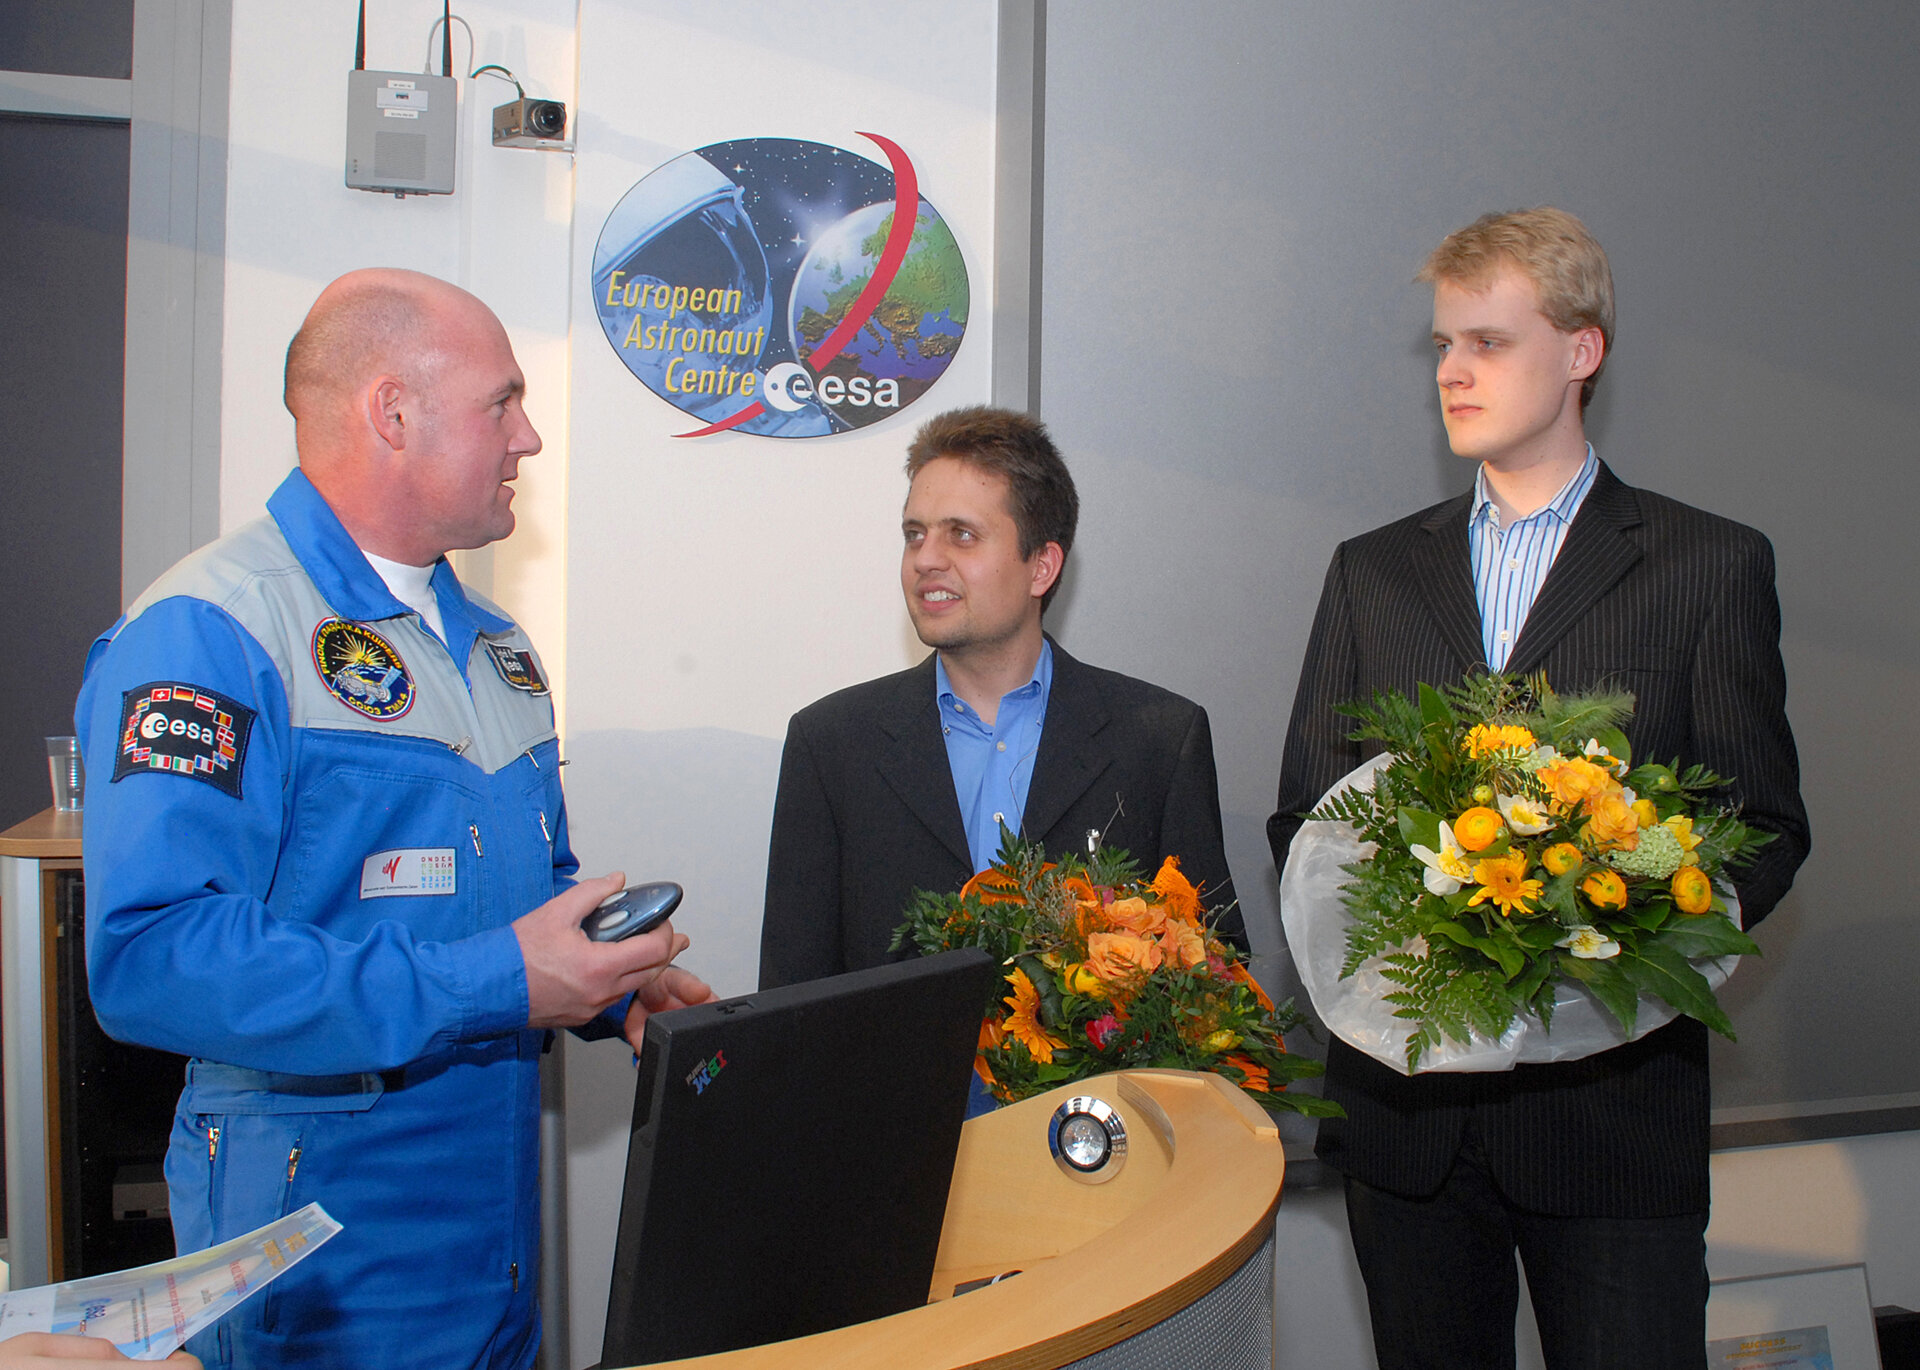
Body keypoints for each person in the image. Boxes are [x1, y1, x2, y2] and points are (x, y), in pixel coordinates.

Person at [74, 269, 713, 1370]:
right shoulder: (209, 631)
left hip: (491, 1260)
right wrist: (504, 980)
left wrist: (605, 980)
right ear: (393, 413)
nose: (530, 439)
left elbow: (523, 889)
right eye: (502, 402)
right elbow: (152, 955)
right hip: (316, 1279)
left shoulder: (500, 645)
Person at [1268, 208, 1809, 1369]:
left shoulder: (1709, 565)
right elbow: (1306, 812)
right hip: (1409, 1130)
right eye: (1443, 347)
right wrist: (1420, 919)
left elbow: (1761, 826)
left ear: (1581, 351)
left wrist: (1612, 909)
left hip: (1614, 1131)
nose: (1453, 372)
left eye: (1487, 343)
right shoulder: (1372, 570)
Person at [759, 405, 1244, 992]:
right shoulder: (832, 743)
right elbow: (792, 1003)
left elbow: (1217, 990)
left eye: (961, 534)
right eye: (915, 534)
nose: (926, 559)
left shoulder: (1158, 742)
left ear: (1041, 566)